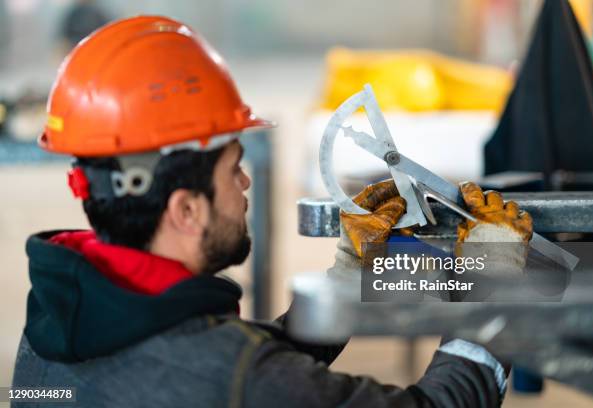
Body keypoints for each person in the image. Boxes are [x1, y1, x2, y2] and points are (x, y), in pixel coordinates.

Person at [12, 16, 533, 407]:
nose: (245, 185)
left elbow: (253, 367)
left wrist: (348, 282)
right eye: (234, 170)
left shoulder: (56, 321)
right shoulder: (228, 372)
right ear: (186, 209)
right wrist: (491, 296)